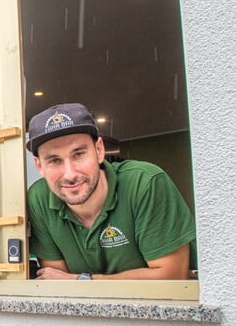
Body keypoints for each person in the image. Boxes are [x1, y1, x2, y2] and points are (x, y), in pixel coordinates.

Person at [26, 103, 196, 280]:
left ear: (99, 150)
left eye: (78, 154)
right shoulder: (39, 199)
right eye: (54, 160)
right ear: (39, 166)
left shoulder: (145, 183)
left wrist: (82, 280)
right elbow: (57, 281)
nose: (70, 174)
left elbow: (172, 277)